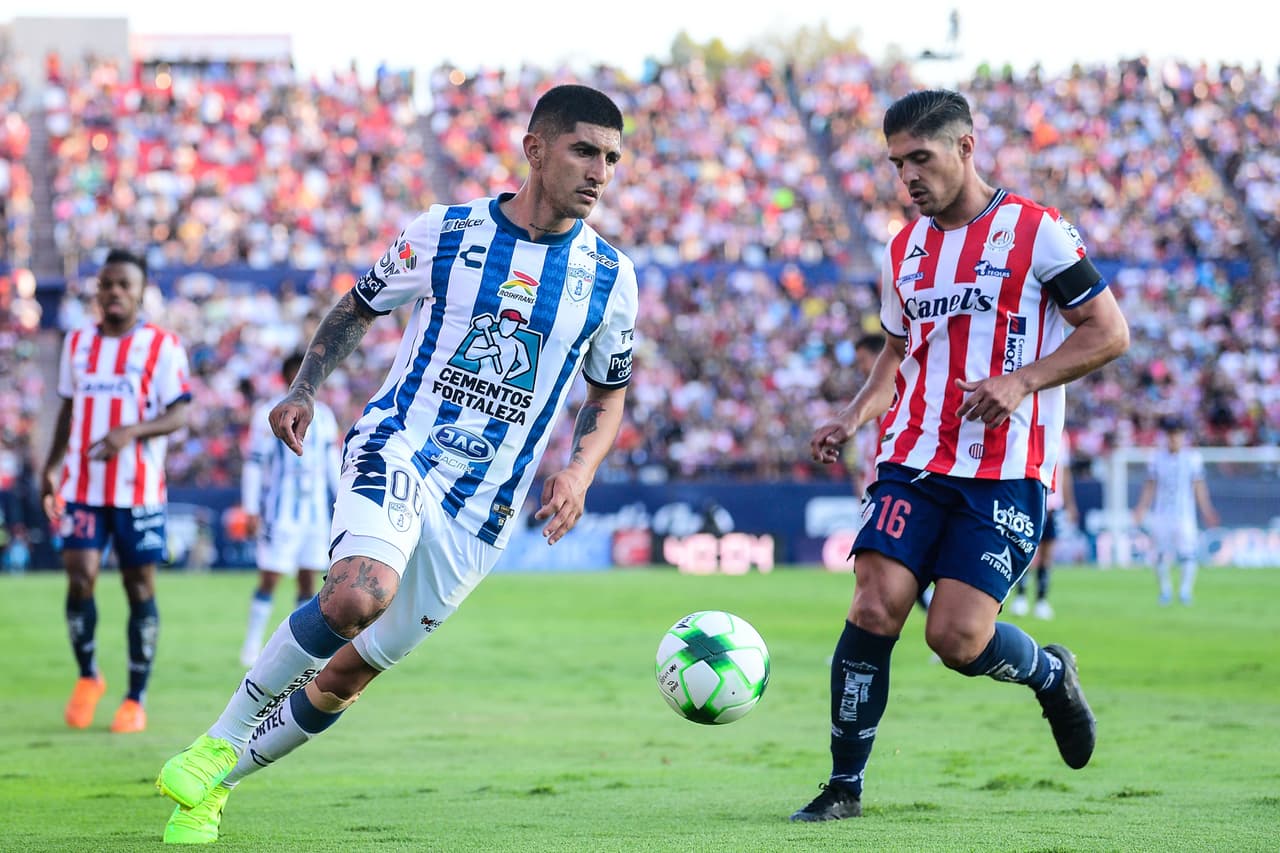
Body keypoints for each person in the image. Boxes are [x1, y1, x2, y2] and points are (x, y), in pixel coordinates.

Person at [154, 84, 637, 844]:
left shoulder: (611, 278)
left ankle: (215, 781)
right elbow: (358, 307)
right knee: (357, 595)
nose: (601, 171)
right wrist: (305, 388)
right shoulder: (444, 233)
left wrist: (577, 472)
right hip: (400, 446)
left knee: (349, 673)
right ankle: (222, 732)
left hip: (483, 512)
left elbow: (607, 397)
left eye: (612, 157)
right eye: (585, 150)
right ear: (535, 150)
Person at [792, 89, 1129, 822]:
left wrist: (1021, 379)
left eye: (922, 158)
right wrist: (852, 418)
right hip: (912, 457)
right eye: (896, 163)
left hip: (1006, 469)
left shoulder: (1036, 232)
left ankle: (1049, 672)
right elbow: (896, 348)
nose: (908, 176)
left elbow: (1108, 330)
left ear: (966, 147)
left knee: (955, 636)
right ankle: (843, 784)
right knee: (875, 604)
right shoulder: (903, 248)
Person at [39, 248, 192, 734]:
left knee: (138, 588)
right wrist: (51, 464)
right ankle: (88, 677)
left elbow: (179, 413)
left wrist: (131, 432)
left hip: (139, 490)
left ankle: (134, 697)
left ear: (140, 291)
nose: (114, 293)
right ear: (97, 291)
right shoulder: (78, 342)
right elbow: (68, 408)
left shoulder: (162, 346)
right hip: (82, 485)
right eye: (106, 284)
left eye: (124, 284)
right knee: (79, 577)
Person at [238, 352, 342, 667]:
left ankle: (298, 648)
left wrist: (340, 502)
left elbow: (331, 465)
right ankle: (252, 645)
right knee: (270, 576)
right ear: (287, 379)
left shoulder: (325, 416)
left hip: (314, 513)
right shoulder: (267, 415)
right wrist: (250, 508)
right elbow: (254, 465)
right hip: (279, 511)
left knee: (309, 580)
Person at [1132, 417, 1219, 605]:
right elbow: (1150, 486)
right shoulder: (1156, 458)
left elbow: (1198, 486)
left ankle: (1185, 591)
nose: (1173, 439)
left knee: (1188, 552)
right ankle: (1165, 591)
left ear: (1182, 436)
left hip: (1184, 515)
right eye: (1170, 435)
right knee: (1161, 553)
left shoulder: (1192, 458)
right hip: (1162, 514)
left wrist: (1207, 509)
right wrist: (1141, 509)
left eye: (1177, 435)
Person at [1010, 431, 1077, 619]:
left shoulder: (1062, 437)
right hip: (1030, 500)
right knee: (1026, 552)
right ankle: (1021, 597)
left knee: (1047, 554)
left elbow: (1065, 472)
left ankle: (1041, 600)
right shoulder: (1033, 428)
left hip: (1053, 504)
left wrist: (1070, 504)